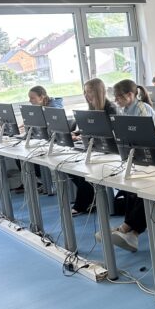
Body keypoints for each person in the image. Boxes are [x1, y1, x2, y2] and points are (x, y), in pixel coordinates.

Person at [96, 79, 155, 252]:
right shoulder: (124, 110)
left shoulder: (142, 109)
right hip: (136, 156)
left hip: (151, 157)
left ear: (130, 95)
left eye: (118, 97)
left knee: (145, 193)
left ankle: (126, 230)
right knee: (129, 189)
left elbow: (150, 137)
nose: (116, 100)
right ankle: (129, 232)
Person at [69, 78, 116, 216]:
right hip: (96, 147)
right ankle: (90, 197)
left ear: (98, 91)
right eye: (85, 91)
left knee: (84, 168)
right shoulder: (92, 107)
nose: (86, 95)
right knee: (70, 166)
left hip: (110, 149)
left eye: (89, 91)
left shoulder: (110, 108)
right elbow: (89, 125)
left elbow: (110, 131)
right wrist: (77, 133)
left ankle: (82, 203)